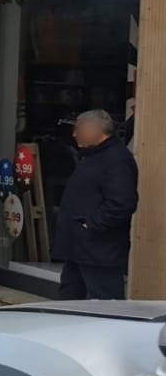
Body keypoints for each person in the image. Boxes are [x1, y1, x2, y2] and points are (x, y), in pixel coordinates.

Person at [52, 109, 139, 301]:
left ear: (96, 129)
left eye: (79, 129)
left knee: (105, 304)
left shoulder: (116, 160)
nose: (74, 134)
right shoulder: (93, 156)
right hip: (79, 247)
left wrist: (91, 224)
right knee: (68, 300)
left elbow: (122, 203)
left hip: (99, 249)